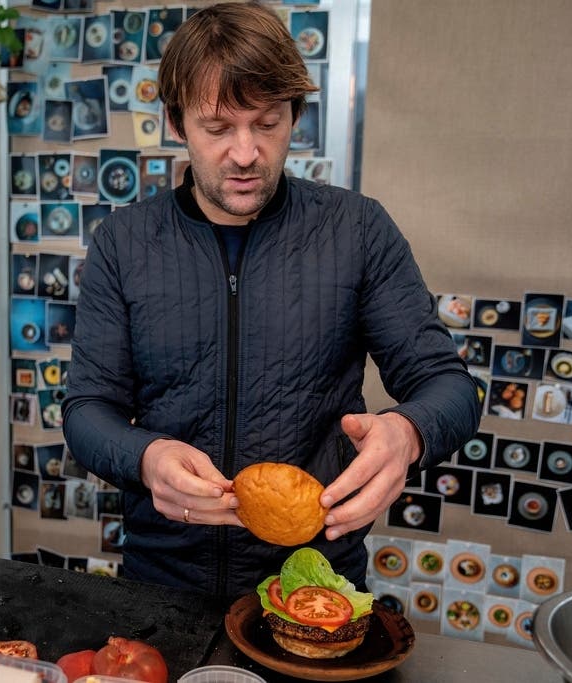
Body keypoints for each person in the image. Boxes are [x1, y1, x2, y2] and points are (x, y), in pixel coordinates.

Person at [62, 0, 481, 599]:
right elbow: (87, 410)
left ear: (295, 115)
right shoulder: (124, 243)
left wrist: (409, 431)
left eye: (266, 123)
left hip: (314, 579)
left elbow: (448, 385)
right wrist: (145, 456)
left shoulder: (357, 230)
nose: (245, 154)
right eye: (217, 128)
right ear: (176, 123)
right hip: (163, 580)